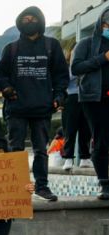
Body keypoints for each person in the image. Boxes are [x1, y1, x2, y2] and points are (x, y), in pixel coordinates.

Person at [0, 6, 69, 202]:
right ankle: (15, 187)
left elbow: (61, 75)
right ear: (19, 23)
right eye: (24, 19)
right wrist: (6, 88)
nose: (28, 21)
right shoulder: (11, 49)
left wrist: (59, 96)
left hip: (42, 108)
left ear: (40, 21)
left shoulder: (52, 46)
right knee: (15, 149)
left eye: (32, 18)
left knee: (41, 150)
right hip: (16, 108)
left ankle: (42, 187)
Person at [71, 6, 109, 199]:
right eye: (106, 23)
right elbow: (76, 67)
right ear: (101, 23)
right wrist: (103, 58)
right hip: (94, 99)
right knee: (101, 140)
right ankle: (105, 184)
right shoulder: (86, 43)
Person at [62, 45, 92, 171]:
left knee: (86, 128)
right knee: (70, 128)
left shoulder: (88, 64)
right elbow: (63, 81)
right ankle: (68, 158)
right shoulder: (66, 67)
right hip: (71, 98)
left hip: (86, 98)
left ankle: (85, 158)